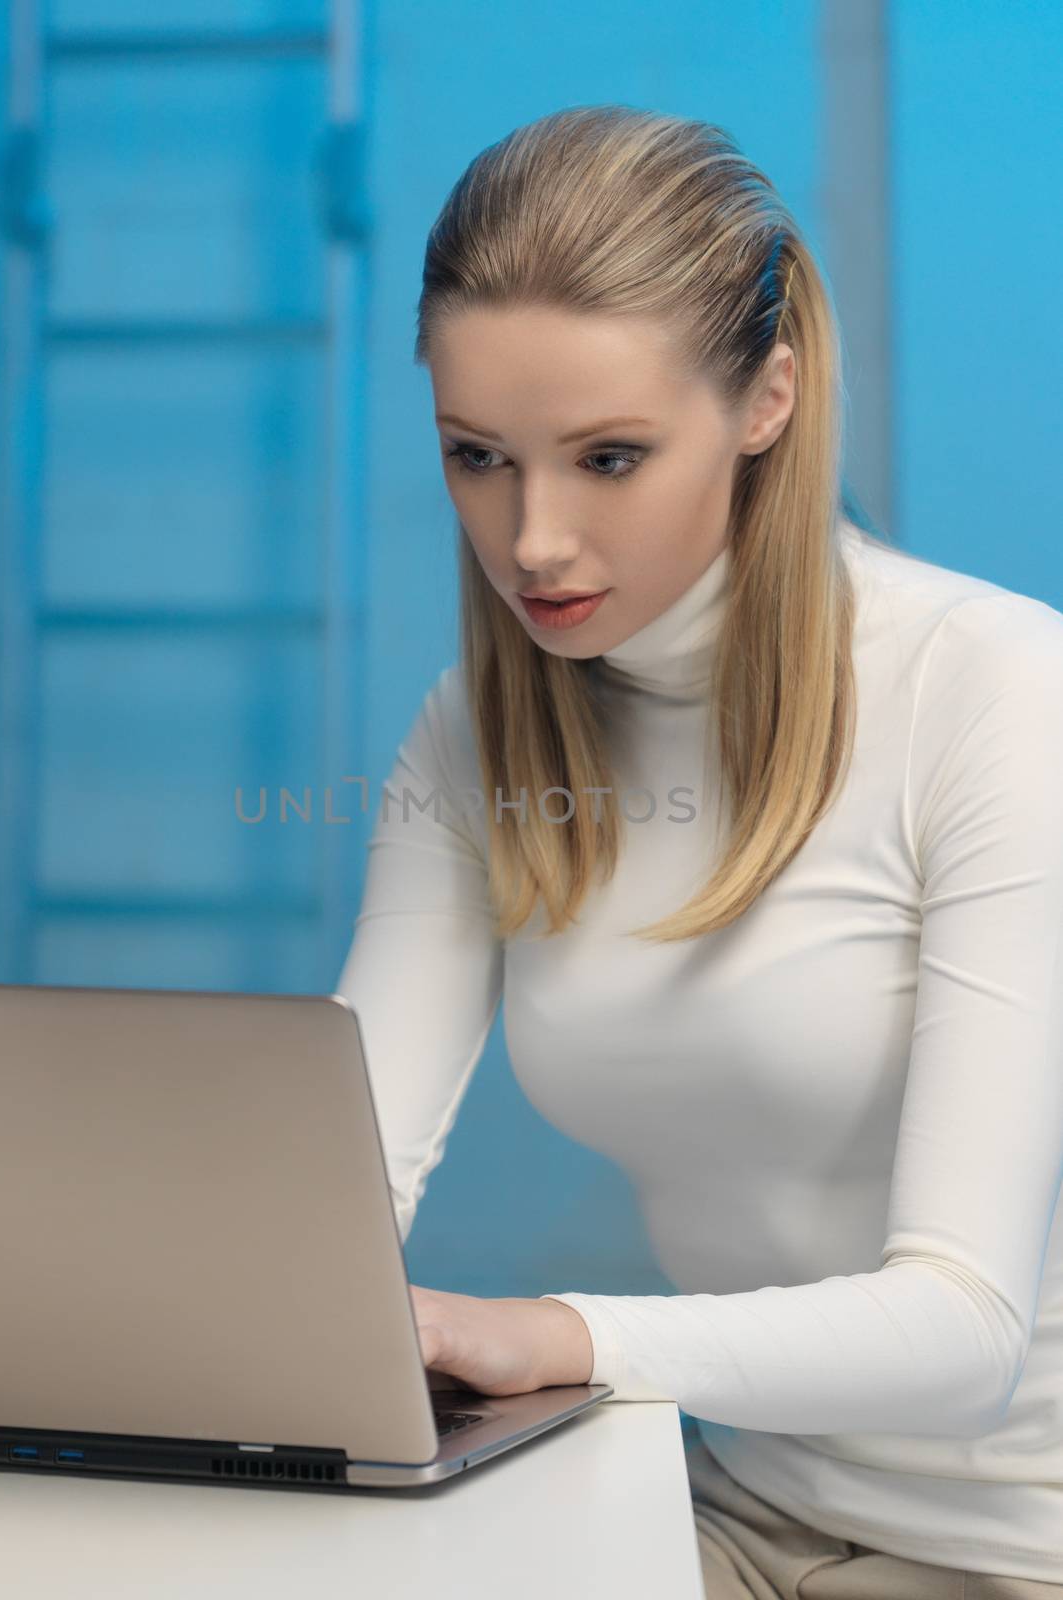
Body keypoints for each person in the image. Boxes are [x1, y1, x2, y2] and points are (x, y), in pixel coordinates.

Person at [334, 105, 1063, 1594]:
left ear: (768, 397)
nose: (532, 540)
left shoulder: (997, 691)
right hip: (740, 1514)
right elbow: (335, 1191)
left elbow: (967, 1334)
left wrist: (557, 1335)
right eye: (479, 457)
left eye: (608, 458)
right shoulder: (475, 736)